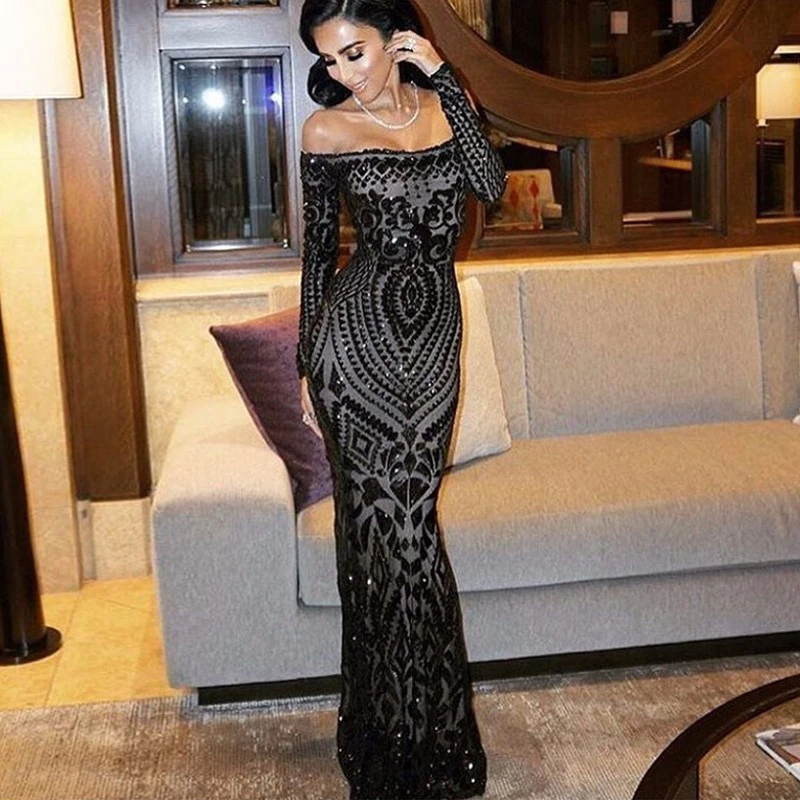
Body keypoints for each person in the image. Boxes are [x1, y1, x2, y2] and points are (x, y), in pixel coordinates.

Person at [296, 1, 507, 797]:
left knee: (413, 531)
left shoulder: (447, 110)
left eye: (355, 52)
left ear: (399, 40)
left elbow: (489, 182)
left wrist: (446, 78)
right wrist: (306, 367)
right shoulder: (326, 132)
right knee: (382, 538)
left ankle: (430, 731)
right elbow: (318, 258)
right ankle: (391, 736)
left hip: (433, 344)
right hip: (355, 350)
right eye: (331, 60)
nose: (344, 72)